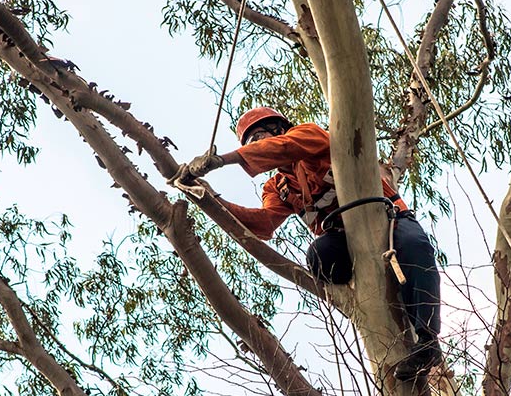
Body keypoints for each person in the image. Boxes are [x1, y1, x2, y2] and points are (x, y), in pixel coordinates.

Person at [175, 107, 442, 381]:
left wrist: (222, 160)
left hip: (389, 221)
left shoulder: (308, 135)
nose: (257, 145)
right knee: (319, 255)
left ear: (278, 130)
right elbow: (264, 224)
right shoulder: (278, 187)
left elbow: (285, 147)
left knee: (415, 245)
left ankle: (427, 340)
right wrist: (209, 198)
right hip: (342, 241)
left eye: (260, 136)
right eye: (251, 141)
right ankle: (370, 292)